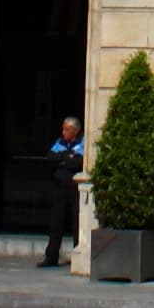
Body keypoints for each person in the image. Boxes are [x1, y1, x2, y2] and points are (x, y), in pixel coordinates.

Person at [40, 115, 85, 269]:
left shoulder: (82, 143)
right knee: (56, 222)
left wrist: (63, 160)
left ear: (75, 131)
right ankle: (51, 256)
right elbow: (50, 158)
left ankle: (78, 255)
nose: (63, 132)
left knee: (77, 222)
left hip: (74, 188)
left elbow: (77, 162)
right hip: (59, 187)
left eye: (67, 129)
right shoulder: (60, 142)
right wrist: (66, 157)